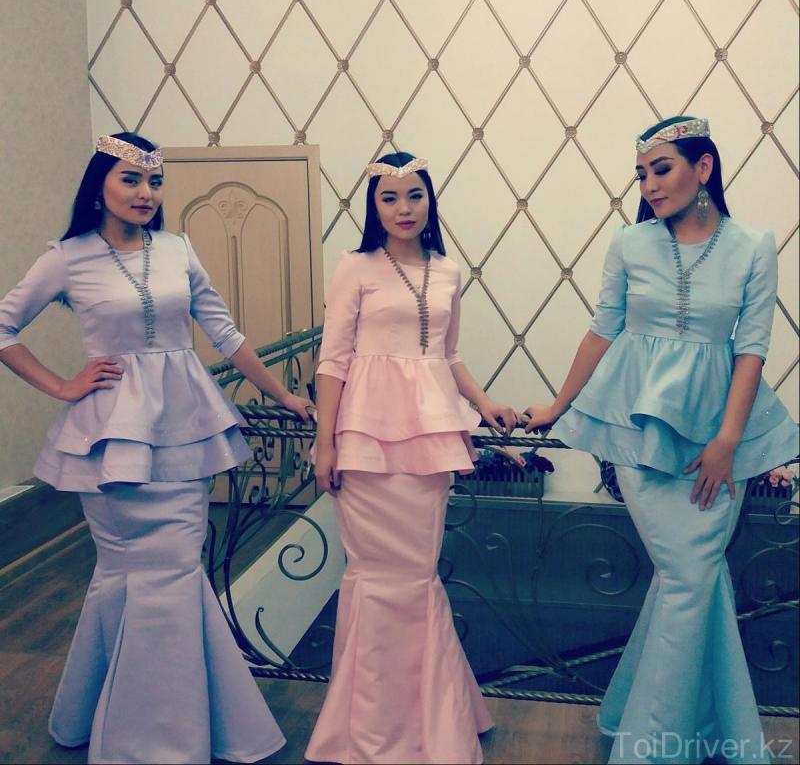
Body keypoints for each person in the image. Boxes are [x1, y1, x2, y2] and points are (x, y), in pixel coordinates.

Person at [0, 133, 313, 764]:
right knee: (128, 573)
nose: (146, 193)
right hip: (113, 439)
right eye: (130, 179)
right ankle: (151, 738)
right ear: (99, 187)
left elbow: (224, 332)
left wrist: (282, 394)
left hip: (185, 429)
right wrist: (61, 385)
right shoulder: (67, 258)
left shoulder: (177, 248)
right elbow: (4, 327)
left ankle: (163, 722)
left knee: (175, 571)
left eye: (154, 181)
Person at [523, 116, 798, 764]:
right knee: (687, 575)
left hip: (719, 439)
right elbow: (604, 328)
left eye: (662, 168)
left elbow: (752, 348)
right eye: (642, 173)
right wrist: (559, 405)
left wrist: (728, 441)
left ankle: (666, 730)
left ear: (704, 168)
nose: (649, 184)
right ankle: (672, 743)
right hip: (641, 433)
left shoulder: (753, 247)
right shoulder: (630, 243)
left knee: (694, 577)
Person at [306, 152, 517, 764]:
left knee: (418, 578)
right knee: (374, 579)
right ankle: (371, 730)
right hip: (364, 438)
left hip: (429, 438)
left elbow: (448, 355)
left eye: (414, 195)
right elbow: (332, 359)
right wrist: (326, 441)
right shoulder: (354, 267)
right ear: (373, 207)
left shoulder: (448, 271)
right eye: (389, 197)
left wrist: (484, 402)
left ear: (430, 200)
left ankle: (435, 721)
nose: (403, 208)